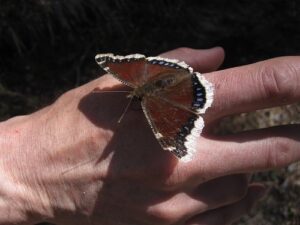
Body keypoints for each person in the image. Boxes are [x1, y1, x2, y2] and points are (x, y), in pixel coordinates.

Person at [0, 47, 299, 225]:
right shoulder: (144, 99)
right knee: (161, 123)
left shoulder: (140, 94)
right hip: (162, 77)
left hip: (159, 82)